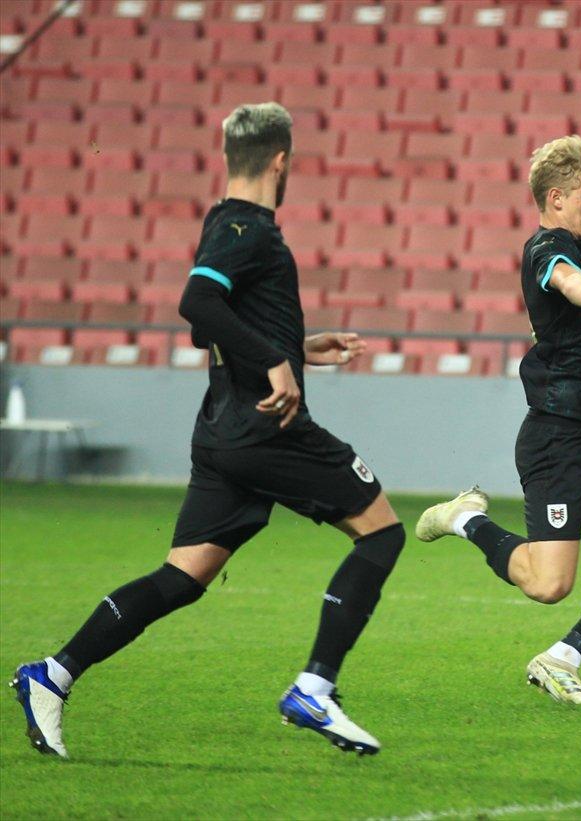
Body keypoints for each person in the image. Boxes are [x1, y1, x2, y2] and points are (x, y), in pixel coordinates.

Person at [11, 103, 405, 758]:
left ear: (228, 156)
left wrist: (298, 346)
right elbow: (195, 303)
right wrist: (278, 360)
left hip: (222, 430)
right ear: (282, 160)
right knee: (383, 530)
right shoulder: (251, 228)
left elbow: (211, 326)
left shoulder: (222, 223)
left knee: (184, 575)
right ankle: (315, 685)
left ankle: (52, 674)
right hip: (267, 430)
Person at [414, 135, 581, 707]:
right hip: (556, 439)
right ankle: (467, 520)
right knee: (548, 583)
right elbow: (568, 284)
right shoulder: (546, 250)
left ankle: (561, 659)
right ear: (556, 197)